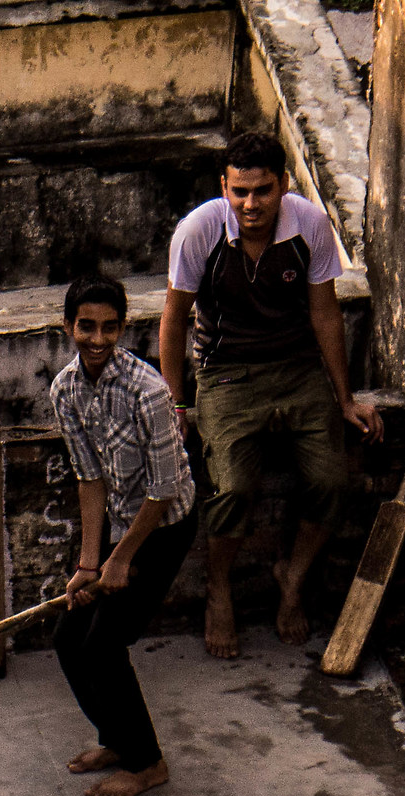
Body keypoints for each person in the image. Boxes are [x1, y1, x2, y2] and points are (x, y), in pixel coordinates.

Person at [160, 131, 383, 660]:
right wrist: (176, 405)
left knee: (331, 479)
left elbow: (326, 314)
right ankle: (219, 588)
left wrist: (345, 398)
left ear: (283, 185)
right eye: (239, 192)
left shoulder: (307, 224)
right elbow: (172, 322)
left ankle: (293, 576)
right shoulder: (199, 231)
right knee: (232, 488)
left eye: (262, 191)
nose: (250, 204)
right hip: (226, 373)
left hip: (298, 367)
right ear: (224, 187)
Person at [49, 275, 199, 796]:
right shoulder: (65, 389)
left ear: (121, 328)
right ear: (68, 327)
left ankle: (147, 762)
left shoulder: (149, 390)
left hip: (165, 525)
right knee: (68, 637)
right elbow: (89, 478)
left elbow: (163, 490)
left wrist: (122, 560)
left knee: (105, 643)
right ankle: (116, 738)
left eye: (109, 328)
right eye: (86, 326)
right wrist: (91, 563)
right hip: (119, 525)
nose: (97, 339)